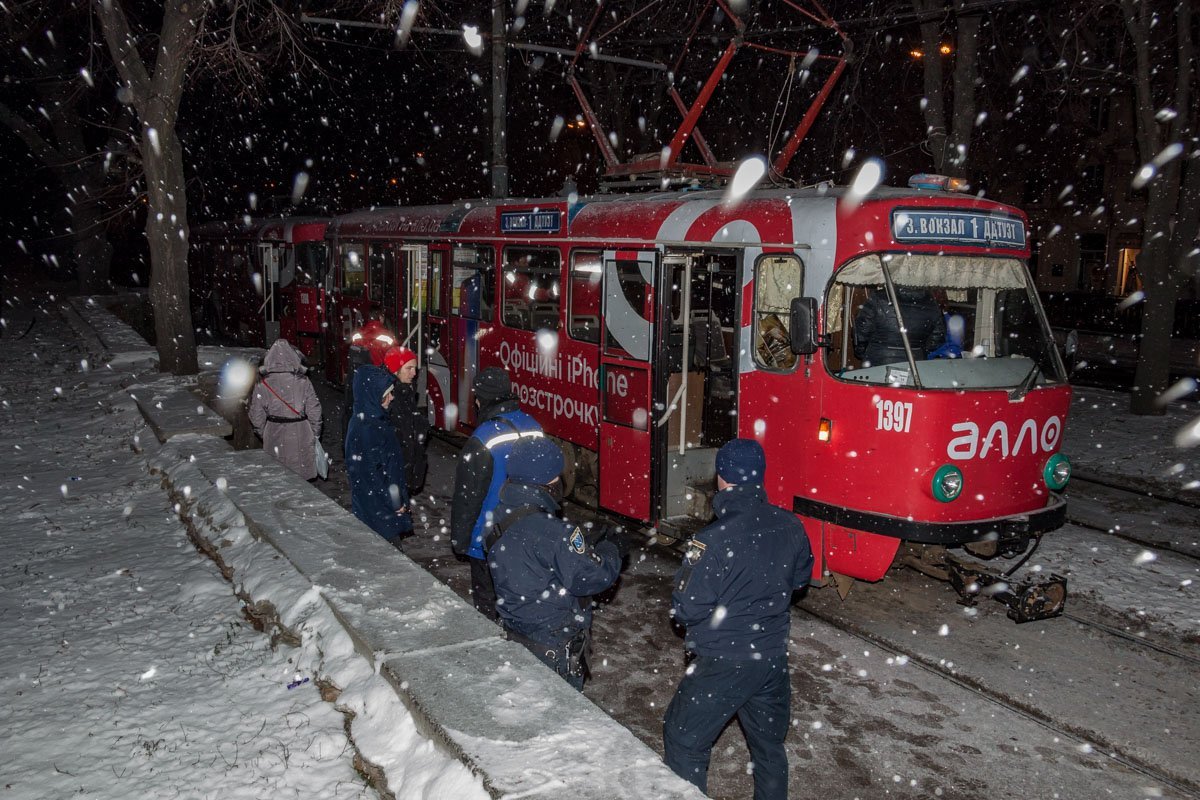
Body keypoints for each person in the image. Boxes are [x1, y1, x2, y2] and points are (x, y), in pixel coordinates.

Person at [663, 438, 813, 800]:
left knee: (684, 739)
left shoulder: (711, 540)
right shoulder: (790, 526)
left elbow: (687, 608)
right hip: (771, 658)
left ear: (722, 478)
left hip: (723, 660)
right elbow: (800, 580)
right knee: (769, 747)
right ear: (760, 476)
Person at [487, 436, 625, 690]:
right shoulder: (553, 532)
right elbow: (594, 577)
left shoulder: (502, 512)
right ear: (549, 479)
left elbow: (532, 553)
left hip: (516, 627)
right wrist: (611, 548)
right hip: (552, 641)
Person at [450, 367, 542, 620]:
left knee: (487, 601)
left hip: (490, 536)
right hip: (528, 531)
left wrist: (460, 538)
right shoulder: (534, 426)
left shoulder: (483, 437)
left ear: (481, 398)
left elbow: (468, 496)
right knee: (520, 597)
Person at [345, 364, 412, 546]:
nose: (391, 398)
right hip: (379, 510)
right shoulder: (369, 428)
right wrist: (396, 503)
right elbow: (373, 474)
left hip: (376, 507)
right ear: (373, 395)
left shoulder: (370, 419)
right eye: (386, 394)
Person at [248, 339, 323, 480]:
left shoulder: (262, 384)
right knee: (300, 475)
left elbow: (256, 415)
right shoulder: (303, 381)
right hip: (301, 430)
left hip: (273, 431)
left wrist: (264, 432)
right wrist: (314, 432)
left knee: (279, 476)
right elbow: (315, 410)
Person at [853, 284, 946, 367]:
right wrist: (920, 348)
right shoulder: (931, 302)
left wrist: (862, 351)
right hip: (915, 360)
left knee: (879, 386)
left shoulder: (880, 297)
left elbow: (862, 329)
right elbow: (938, 336)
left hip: (880, 358)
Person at [383, 345, 430, 495]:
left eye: (415, 368)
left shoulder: (406, 391)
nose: (414, 373)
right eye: (409, 368)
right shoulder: (387, 397)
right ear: (394, 369)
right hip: (394, 473)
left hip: (404, 471)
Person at [342, 311, 397, 437]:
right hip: (377, 380)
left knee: (352, 411)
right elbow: (393, 358)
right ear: (381, 318)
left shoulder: (357, 334)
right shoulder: (387, 336)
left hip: (356, 379)